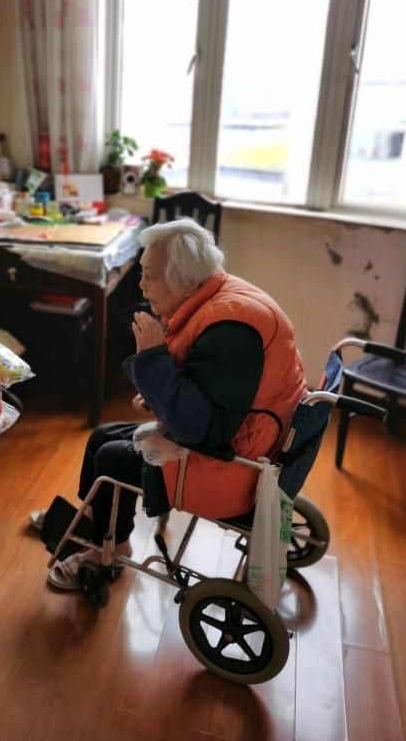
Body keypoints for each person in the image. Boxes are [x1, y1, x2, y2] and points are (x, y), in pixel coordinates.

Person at [32, 217, 307, 590]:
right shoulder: (221, 297)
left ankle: (108, 548)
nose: (141, 284)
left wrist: (152, 359)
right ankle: (94, 521)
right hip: (247, 443)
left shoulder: (229, 330)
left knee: (112, 458)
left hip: (234, 468)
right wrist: (158, 393)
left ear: (184, 280)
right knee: (102, 435)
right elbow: (211, 392)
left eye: (150, 275)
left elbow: (202, 429)